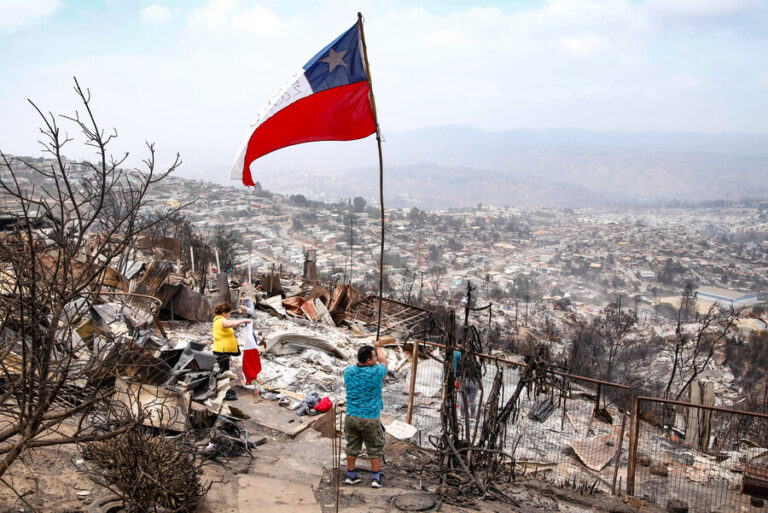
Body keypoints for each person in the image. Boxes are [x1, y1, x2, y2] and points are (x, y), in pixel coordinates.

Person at [343, 339, 387, 488]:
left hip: (351, 416)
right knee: (374, 447)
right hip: (369, 417)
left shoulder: (348, 371)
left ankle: (351, 475)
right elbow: (384, 362)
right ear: (368, 360)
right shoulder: (377, 372)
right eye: (373, 357)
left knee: (352, 445)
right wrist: (379, 347)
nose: (376, 359)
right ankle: (375, 478)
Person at [212, 302, 250, 400]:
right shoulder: (220, 320)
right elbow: (231, 323)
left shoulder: (220, 320)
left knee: (225, 371)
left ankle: (226, 389)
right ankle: (224, 392)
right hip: (221, 351)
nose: (229, 315)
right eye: (228, 313)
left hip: (224, 350)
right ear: (224, 313)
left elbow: (231, 323)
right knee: (224, 372)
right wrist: (243, 320)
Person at [454, 348, 480, 419]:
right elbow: (479, 375)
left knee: (462, 399)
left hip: (463, 381)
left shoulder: (461, 362)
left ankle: (462, 415)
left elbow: (457, 373)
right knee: (472, 400)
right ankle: (472, 415)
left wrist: (457, 381)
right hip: (474, 382)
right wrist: (480, 384)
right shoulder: (476, 363)